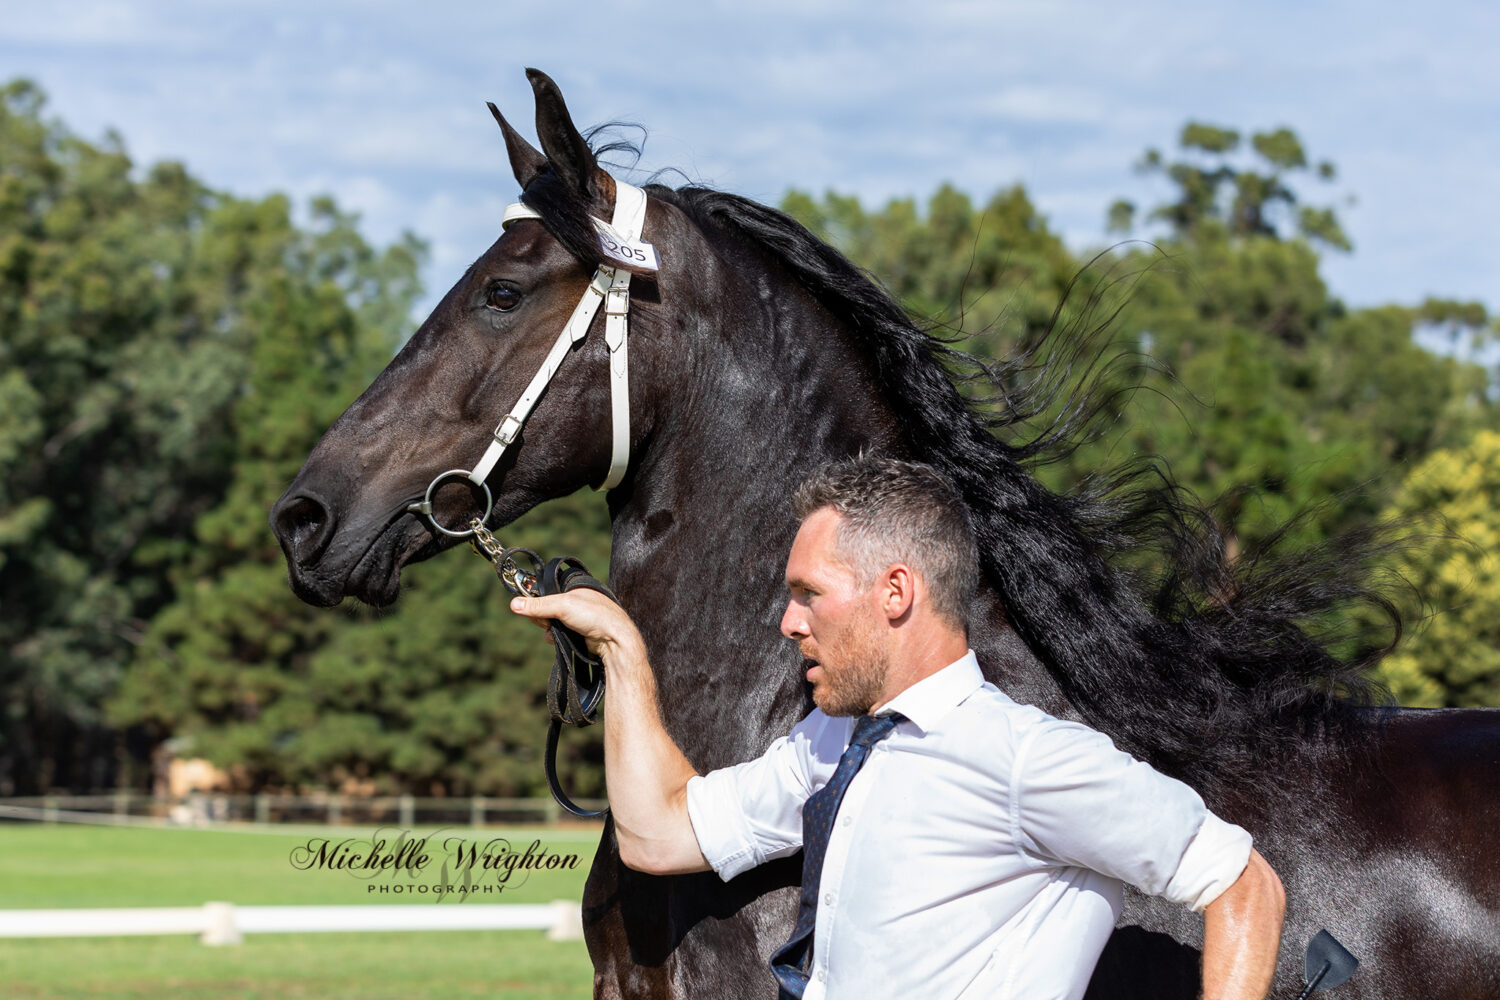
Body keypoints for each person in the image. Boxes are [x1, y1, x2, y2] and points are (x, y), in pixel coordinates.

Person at [510, 457, 1284, 1000]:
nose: (788, 622)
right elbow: (657, 834)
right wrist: (619, 647)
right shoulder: (832, 745)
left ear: (895, 592)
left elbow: (1244, 884)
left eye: (810, 593)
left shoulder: (1028, 759)